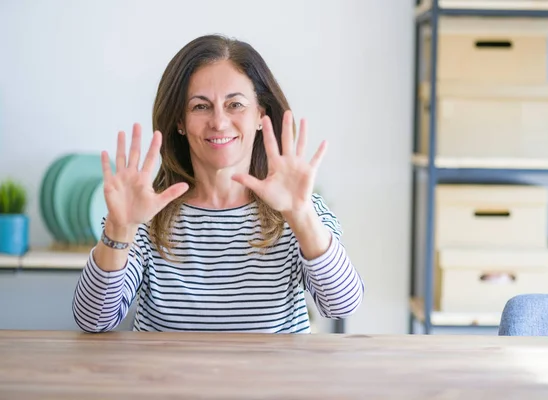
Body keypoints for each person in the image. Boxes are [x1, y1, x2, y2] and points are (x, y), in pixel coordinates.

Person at [72, 34, 364, 333]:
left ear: (260, 114)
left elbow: (342, 305)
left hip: (271, 380)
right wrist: (120, 229)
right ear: (180, 122)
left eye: (235, 104)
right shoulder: (144, 213)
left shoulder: (302, 209)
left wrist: (301, 215)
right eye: (200, 107)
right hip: (164, 380)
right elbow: (93, 320)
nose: (219, 122)